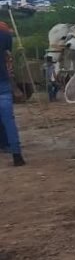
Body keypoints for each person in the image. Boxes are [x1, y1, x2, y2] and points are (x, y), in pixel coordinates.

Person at [0, 20, 25, 166]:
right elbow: (8, 54)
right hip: (2, 82)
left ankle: (5, 145)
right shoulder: (4, 33)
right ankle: (17, 155)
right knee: (8, 120)